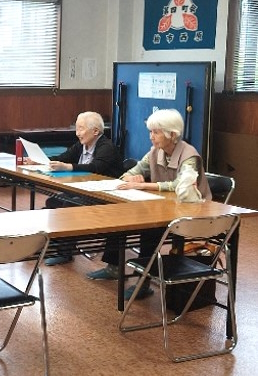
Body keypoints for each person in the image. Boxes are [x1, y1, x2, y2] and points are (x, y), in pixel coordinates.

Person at [88, 109, 212, 299]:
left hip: (190, 212)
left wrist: (145, 185)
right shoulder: (155, 152)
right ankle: (114, 267)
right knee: (119, 218)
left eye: (156, 132)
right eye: (150, 132)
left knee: (149, 231)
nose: (151, 137)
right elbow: (129, 173)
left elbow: (180, 185)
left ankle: (142, 281)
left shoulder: (189, 155)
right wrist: (132, 177)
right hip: (161, 207)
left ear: (172, 134)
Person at [24, 111, 124, 265]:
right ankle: (49, 245)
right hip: (84, 190)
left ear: (95, 131)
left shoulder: (107, 147)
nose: (77, 133)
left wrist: (69, 167)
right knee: (53, 201)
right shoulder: (81, 145)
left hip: (104, 195)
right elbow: (63, 158)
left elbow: (95, 167)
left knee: (69, 205)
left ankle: (65, 252)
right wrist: (40, 161)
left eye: (81, 129)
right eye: (76, 129)